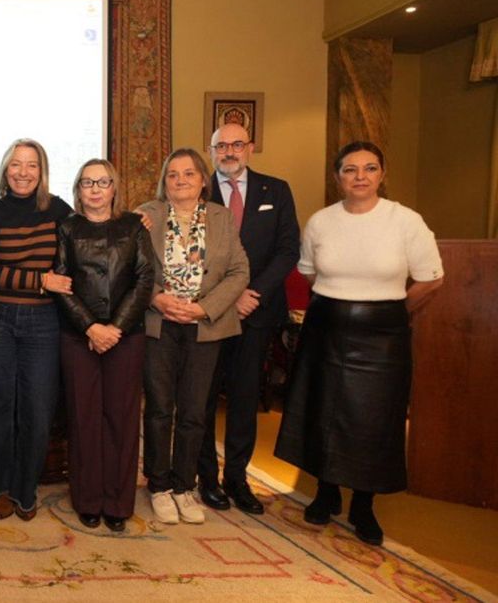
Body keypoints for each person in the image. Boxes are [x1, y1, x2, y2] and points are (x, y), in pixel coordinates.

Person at [275, 141, 443, 546]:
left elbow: (431, 278)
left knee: (373, 419)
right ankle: (326, 493)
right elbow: (311, 275)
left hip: (382, 335)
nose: (360, 177)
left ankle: (363, 505)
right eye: (350, 170)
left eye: (369, 168)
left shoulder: (406, 221)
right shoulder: (320, 222)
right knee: (324, 411)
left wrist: (394, 308)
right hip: (325, 328)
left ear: (382, 174)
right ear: (338, 178)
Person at [137, 148, 248, 526]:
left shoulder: (221, 217)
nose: (181, 180)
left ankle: (185, 486)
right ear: (164, 181)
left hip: (205, 325)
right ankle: (159, 485)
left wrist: (203, 308)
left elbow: (238, 272)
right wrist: (158, 298)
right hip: (159, 323)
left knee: (194, 410)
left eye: (189, 174)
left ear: (204, 179)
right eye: (173, 175)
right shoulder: (146, 215)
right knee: (159, 408)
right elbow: (133, 268)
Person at [196, 124, 300, 515]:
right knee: (201, 399)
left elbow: (289, 249)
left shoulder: (277, 190)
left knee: (243, 399)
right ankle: (206, 478)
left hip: (256, 311)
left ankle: (237, 479)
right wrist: (224, 297)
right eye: (221, 145)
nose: (229, 151)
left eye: (236, 144)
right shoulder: (196, 189)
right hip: (208, 313)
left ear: (250, 148)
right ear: (211, 151)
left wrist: (250, 293)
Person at [0, 139, 72, 522]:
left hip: (43, 324)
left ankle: (23, 489)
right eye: (16, 164)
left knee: (38, 408)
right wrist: (39, 281)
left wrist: (136, 220)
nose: (23, 172)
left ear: (42, 171)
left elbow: (89, 241)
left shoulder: (59, 210)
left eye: (31, 165)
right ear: (4, 170)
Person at [54, 159, 154, 533]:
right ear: (78, 190)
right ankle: (88, 500)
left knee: (121, 419)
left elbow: (145, 279)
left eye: (102, 182)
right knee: (84, 418)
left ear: (115, 187)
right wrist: (91, 327)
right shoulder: (67, 228)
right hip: (78, 337)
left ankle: (117, 502)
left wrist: (115, 328)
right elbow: (61, 282)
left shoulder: (133, 226)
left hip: (126, 337)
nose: (95, 189)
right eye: (87, 182)